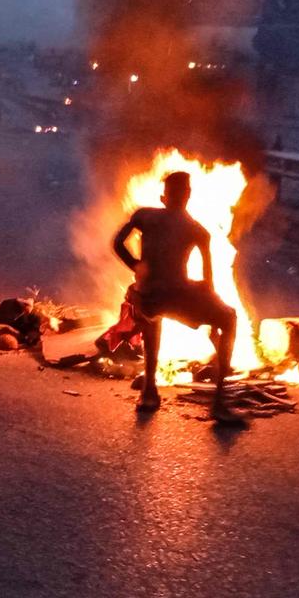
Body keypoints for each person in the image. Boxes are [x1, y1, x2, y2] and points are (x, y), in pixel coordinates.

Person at [112, 171, 243, 424]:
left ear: (164, 197)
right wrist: (214, 323)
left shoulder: (144, 216)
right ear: (188, 196)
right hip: (179, 297)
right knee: (229, 317)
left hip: (149, 296)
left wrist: (136, 266)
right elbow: (208, 283)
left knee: (149, 311)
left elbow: (118, 243)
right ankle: (219, 403)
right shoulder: (198, 231)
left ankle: (149, 391)